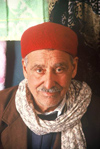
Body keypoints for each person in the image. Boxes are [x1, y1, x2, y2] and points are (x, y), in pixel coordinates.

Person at [0, 22, 100, 149]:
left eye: (59, 69)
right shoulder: (1, 105)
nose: (48, 84)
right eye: (39, 70)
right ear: (25, 69)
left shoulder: (96, 114)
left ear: (74, 68)